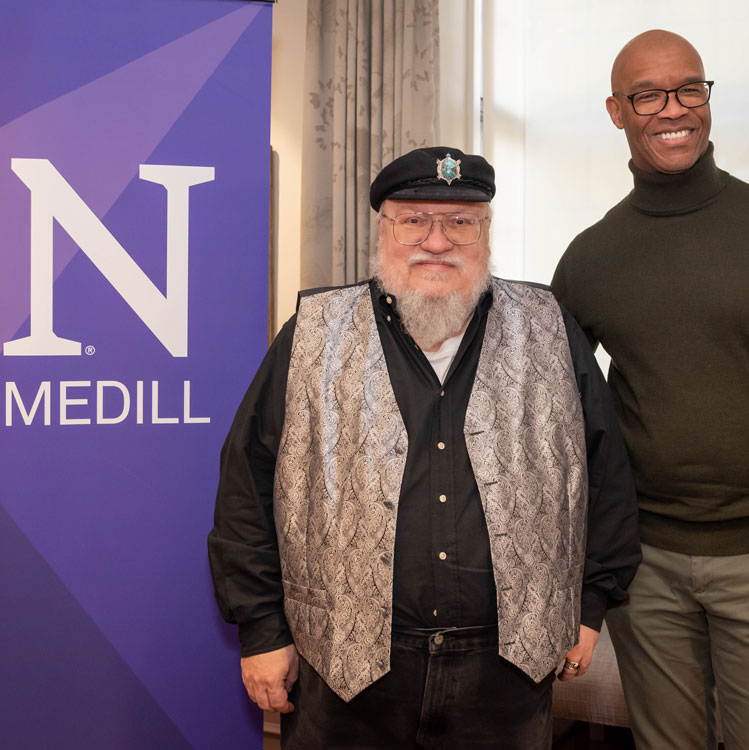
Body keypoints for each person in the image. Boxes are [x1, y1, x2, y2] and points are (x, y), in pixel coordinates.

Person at [208, 146, 640, 749]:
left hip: (506, 671)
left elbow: (605, 474)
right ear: (382, 229)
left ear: (486, 232)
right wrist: (262, 630)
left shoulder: (548, 324)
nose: (437, 240)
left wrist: (590, 604)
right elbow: (248, 488)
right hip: (349, 667)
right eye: (414, 219)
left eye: (461, 222)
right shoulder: (312, 331)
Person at [551, 30, 749, 750]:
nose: (674, 109)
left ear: (706, 96)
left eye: (689, 87)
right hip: (646, 570)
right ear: (616, 111)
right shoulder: (591, 258)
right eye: (648, 94)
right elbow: (558, 424)